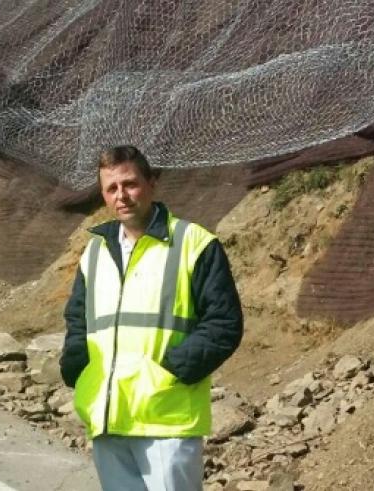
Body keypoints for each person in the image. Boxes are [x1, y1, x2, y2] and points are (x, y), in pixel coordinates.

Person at [60, 145, 243, 490]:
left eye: (130, 184)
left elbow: (224, 323)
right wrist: (77, 371)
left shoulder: (194, 243)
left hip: (165, 420)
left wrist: (169, 372)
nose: (122, 196)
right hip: (107, 417)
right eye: (111, 188)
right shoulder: (95, 251)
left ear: (152, 182)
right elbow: (78, 321)